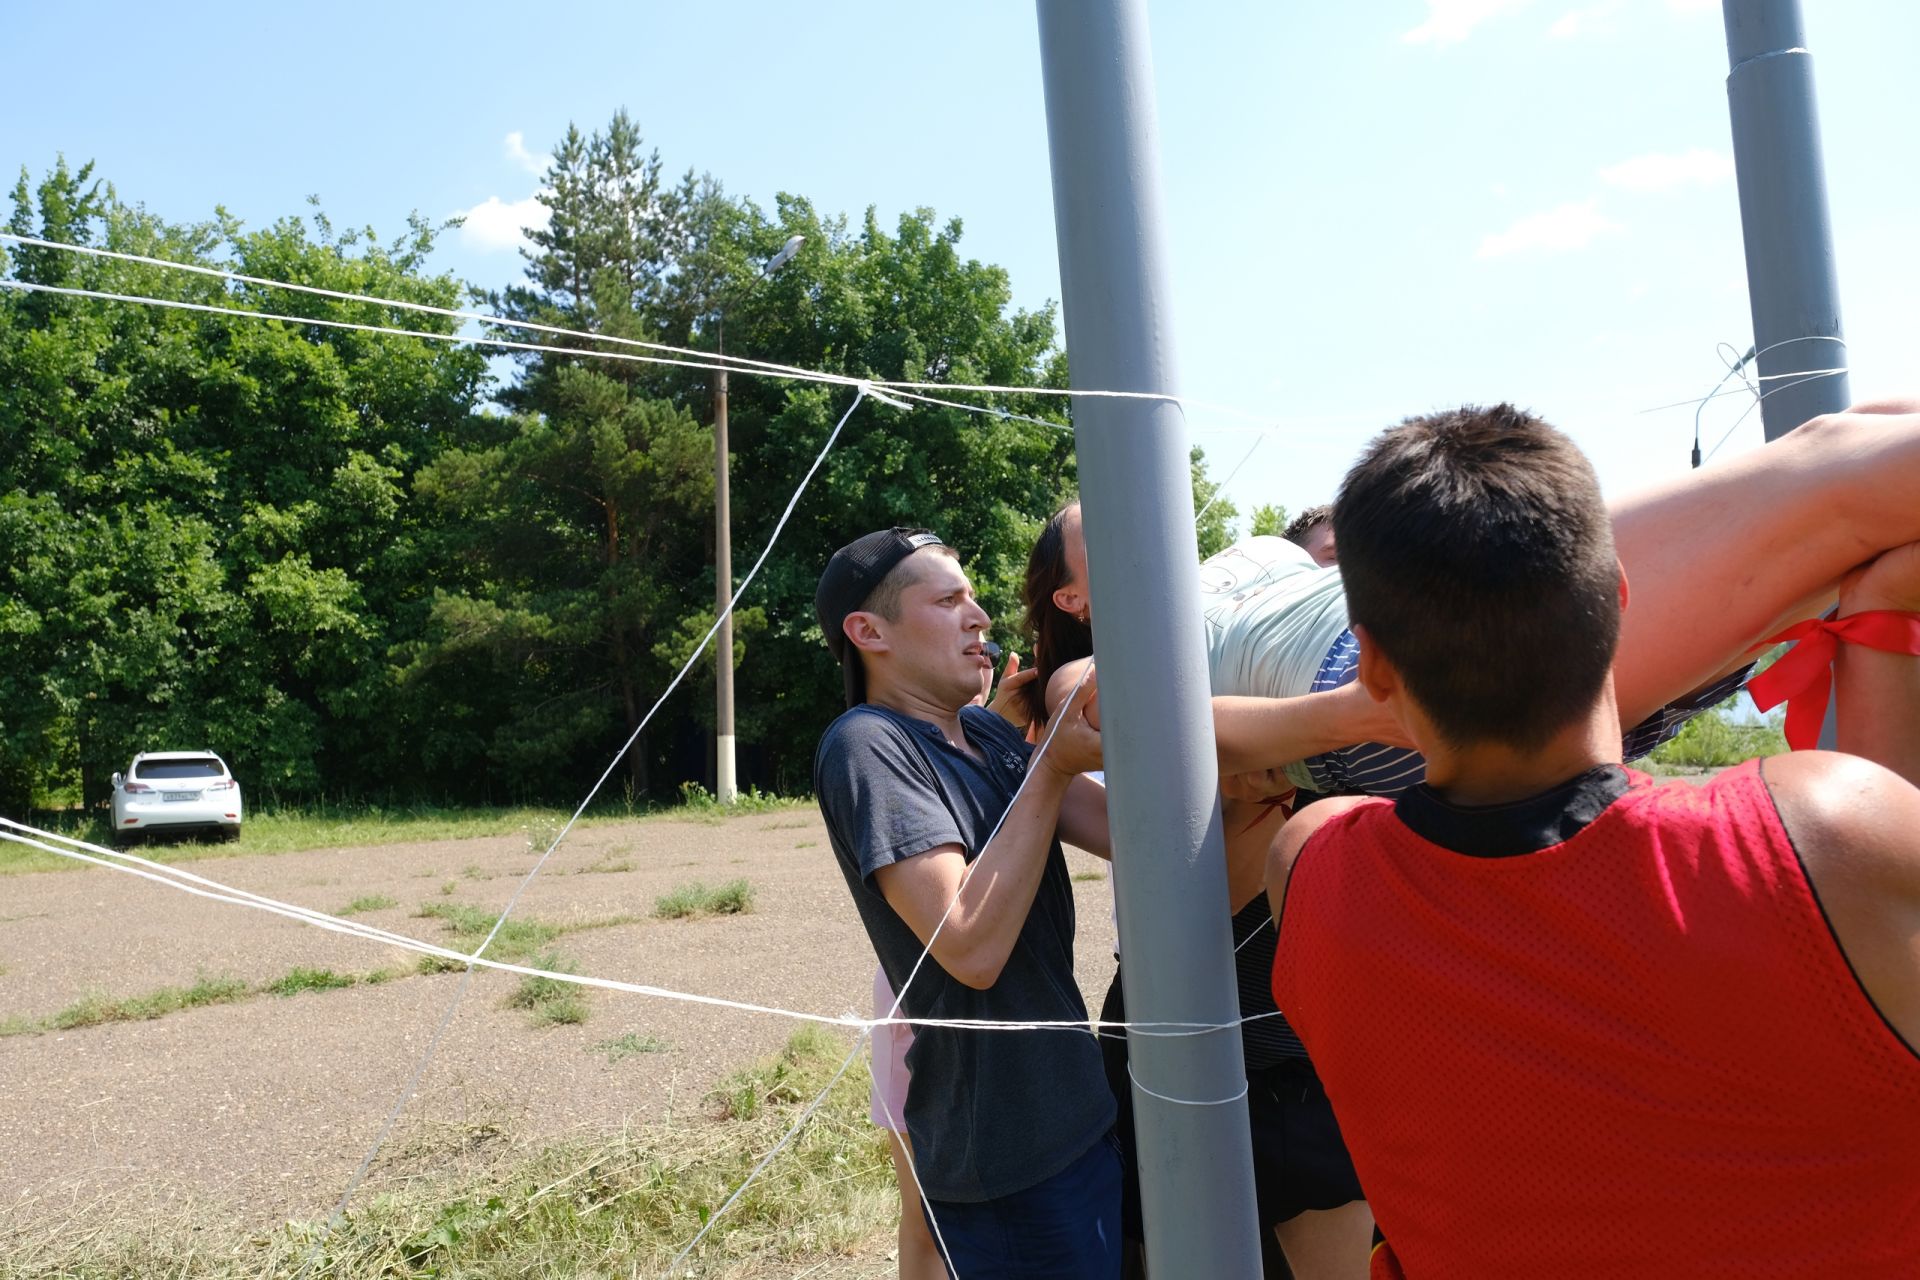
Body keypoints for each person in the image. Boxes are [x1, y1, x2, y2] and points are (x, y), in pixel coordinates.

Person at [1268, 401, 1920, 1277]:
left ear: (1373, 663)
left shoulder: (1312, 873)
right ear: (1616, 597)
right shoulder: (1824, 832)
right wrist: (1883, 626)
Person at [1021, 507, 1383, 1279]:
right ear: (1071, 599)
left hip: (1292, 1029)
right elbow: (1151, 828)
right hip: (1166, 1017)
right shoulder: (1081, 695)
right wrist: (1332, 725)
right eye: (1116, 546)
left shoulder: (1253, 648)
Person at [813, 527, 1119, 1279]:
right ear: (868, 632)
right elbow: (971, 946)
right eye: (948, 600)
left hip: (1077, 1112)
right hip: (1005, 1156)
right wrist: (1048, 769)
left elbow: (1121, 833)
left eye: (973, 596)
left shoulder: (981, 729)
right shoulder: (868, 745)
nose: (979, 616)